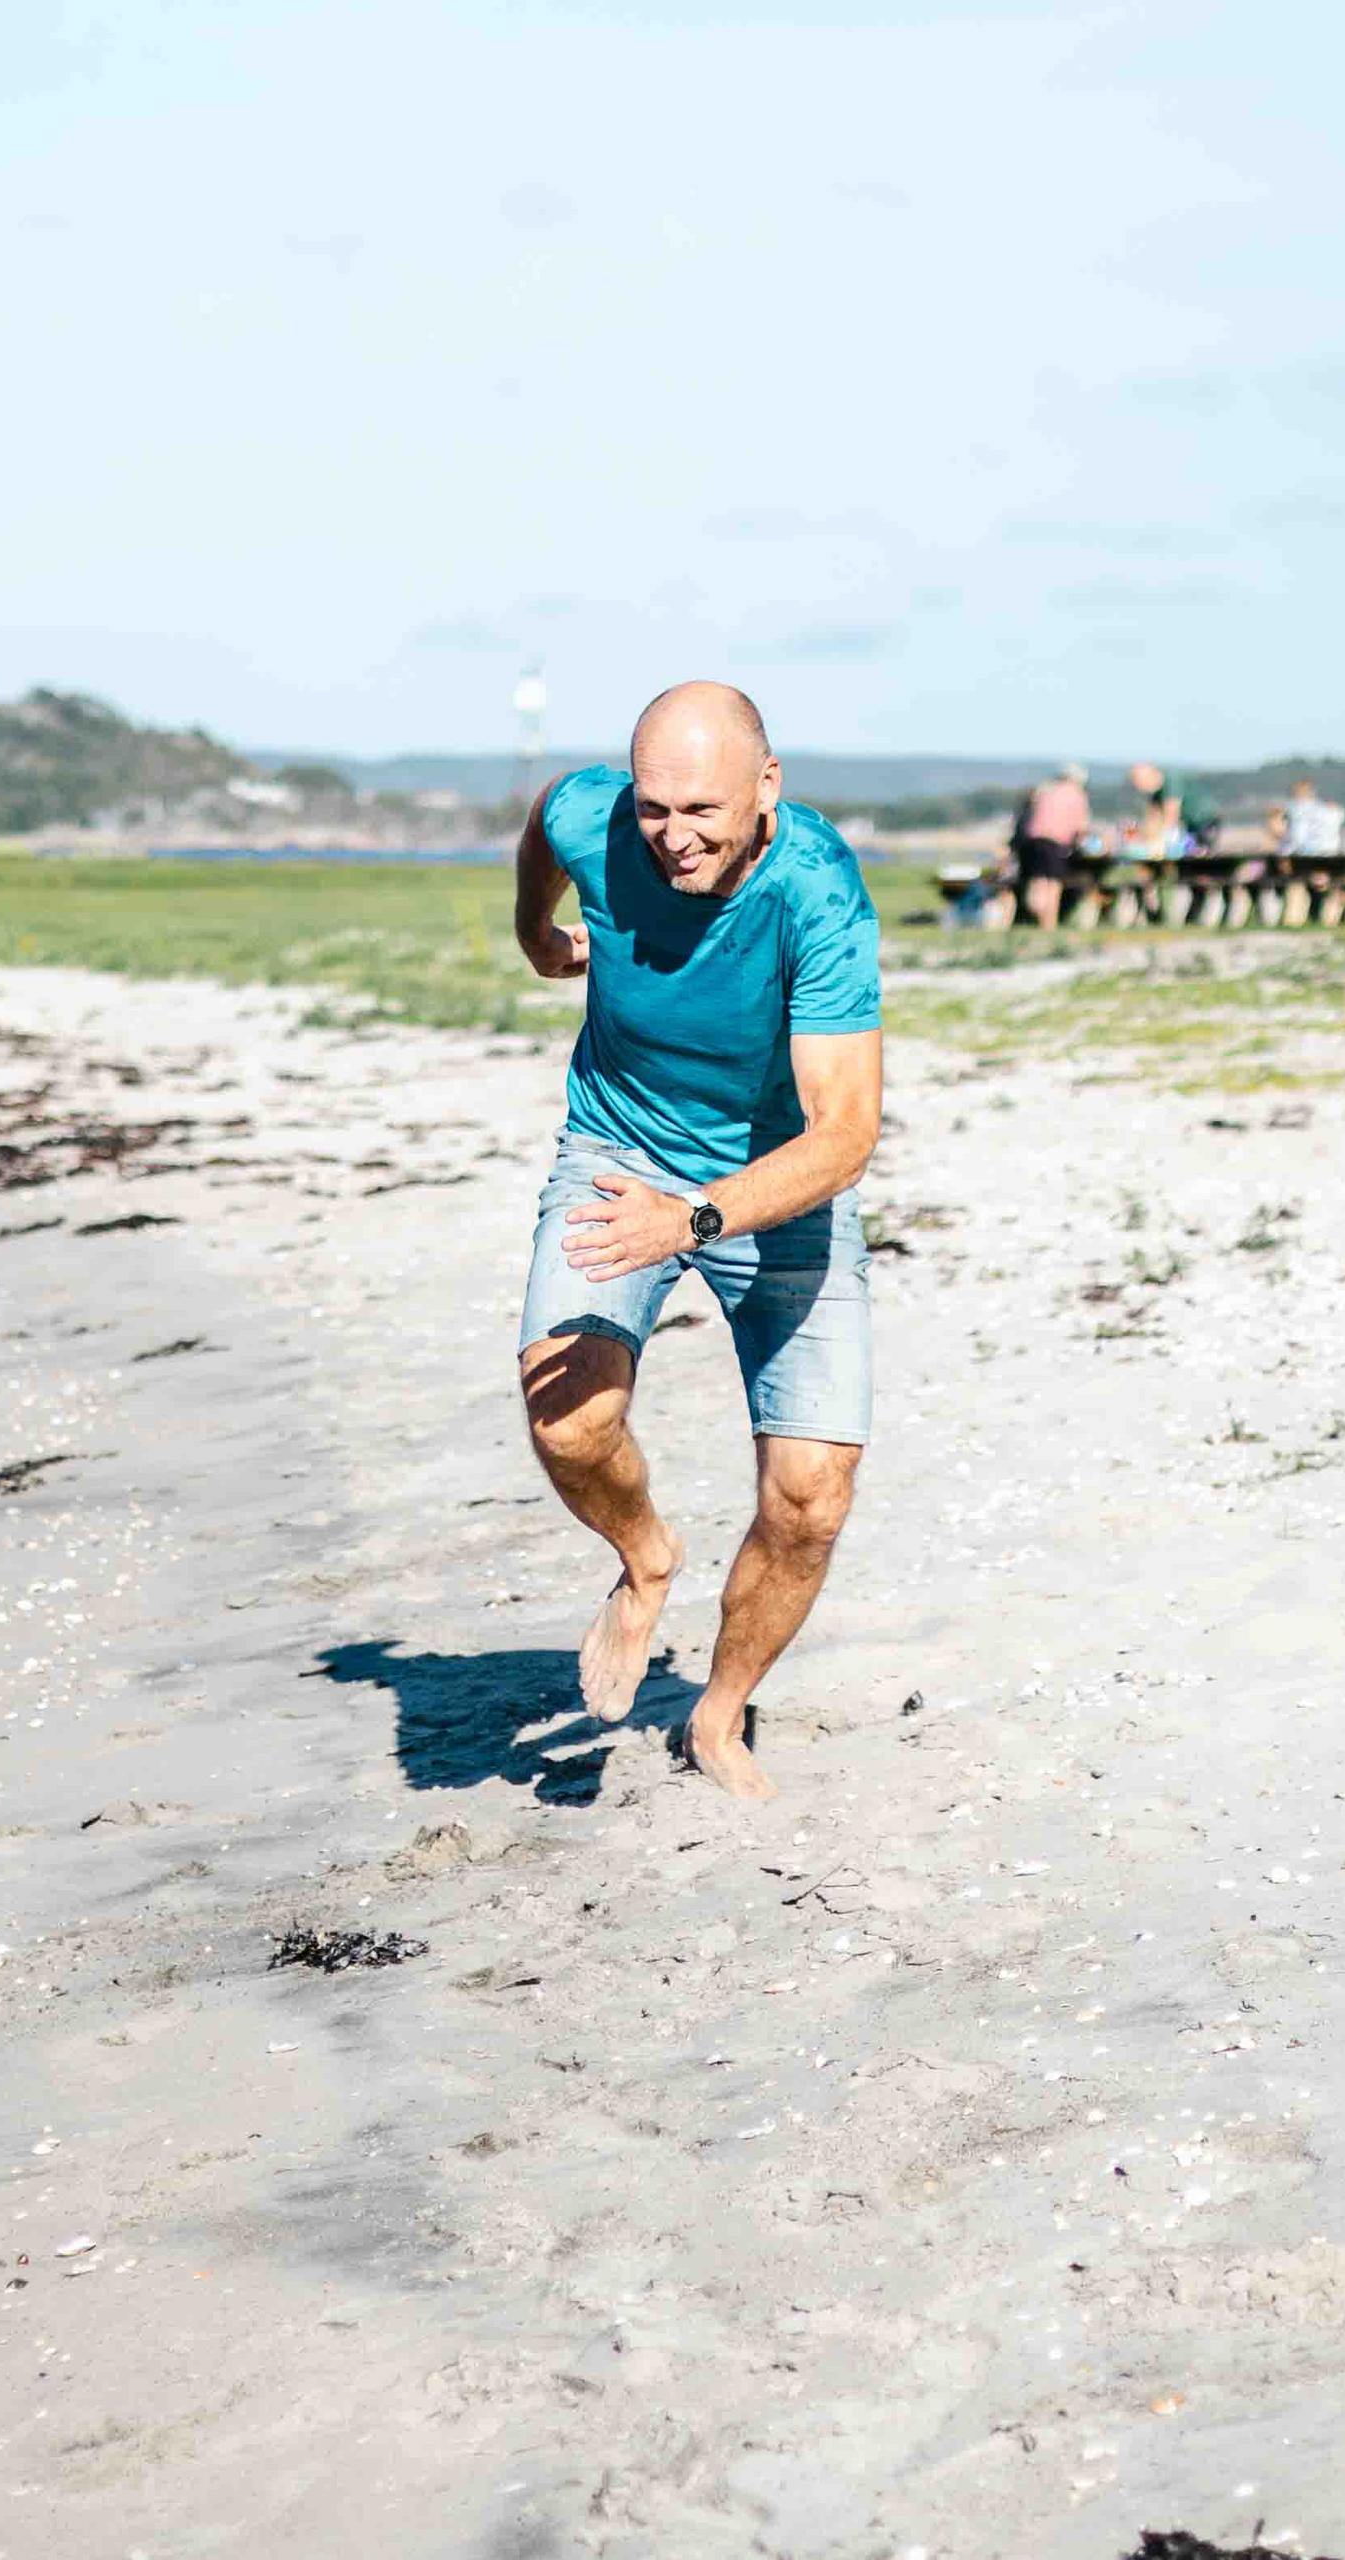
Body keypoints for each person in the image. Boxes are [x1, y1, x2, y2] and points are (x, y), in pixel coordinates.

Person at [511, 682, 883, 1801]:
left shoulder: (817, 891)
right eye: (656, 807)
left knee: (810, 1494)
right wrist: (534, 930)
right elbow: (545, 822)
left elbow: (847, 1133)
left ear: (768, 787)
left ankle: (718, 1715)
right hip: (615, 1151)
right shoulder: (595, 816)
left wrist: (698, 1216)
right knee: (569, 1424)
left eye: (703, 811)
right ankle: (645, 1559)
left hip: (777, 1182)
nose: (674, 838)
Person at [1011, 761, 1088, 927]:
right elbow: (1081, 827)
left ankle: (1034, 915)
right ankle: (1048, 925)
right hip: (1055, 843)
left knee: (1037, 882)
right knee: (1053, 885)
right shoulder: (1076, 794)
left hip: (1031, 842)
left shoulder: (1044, 790)